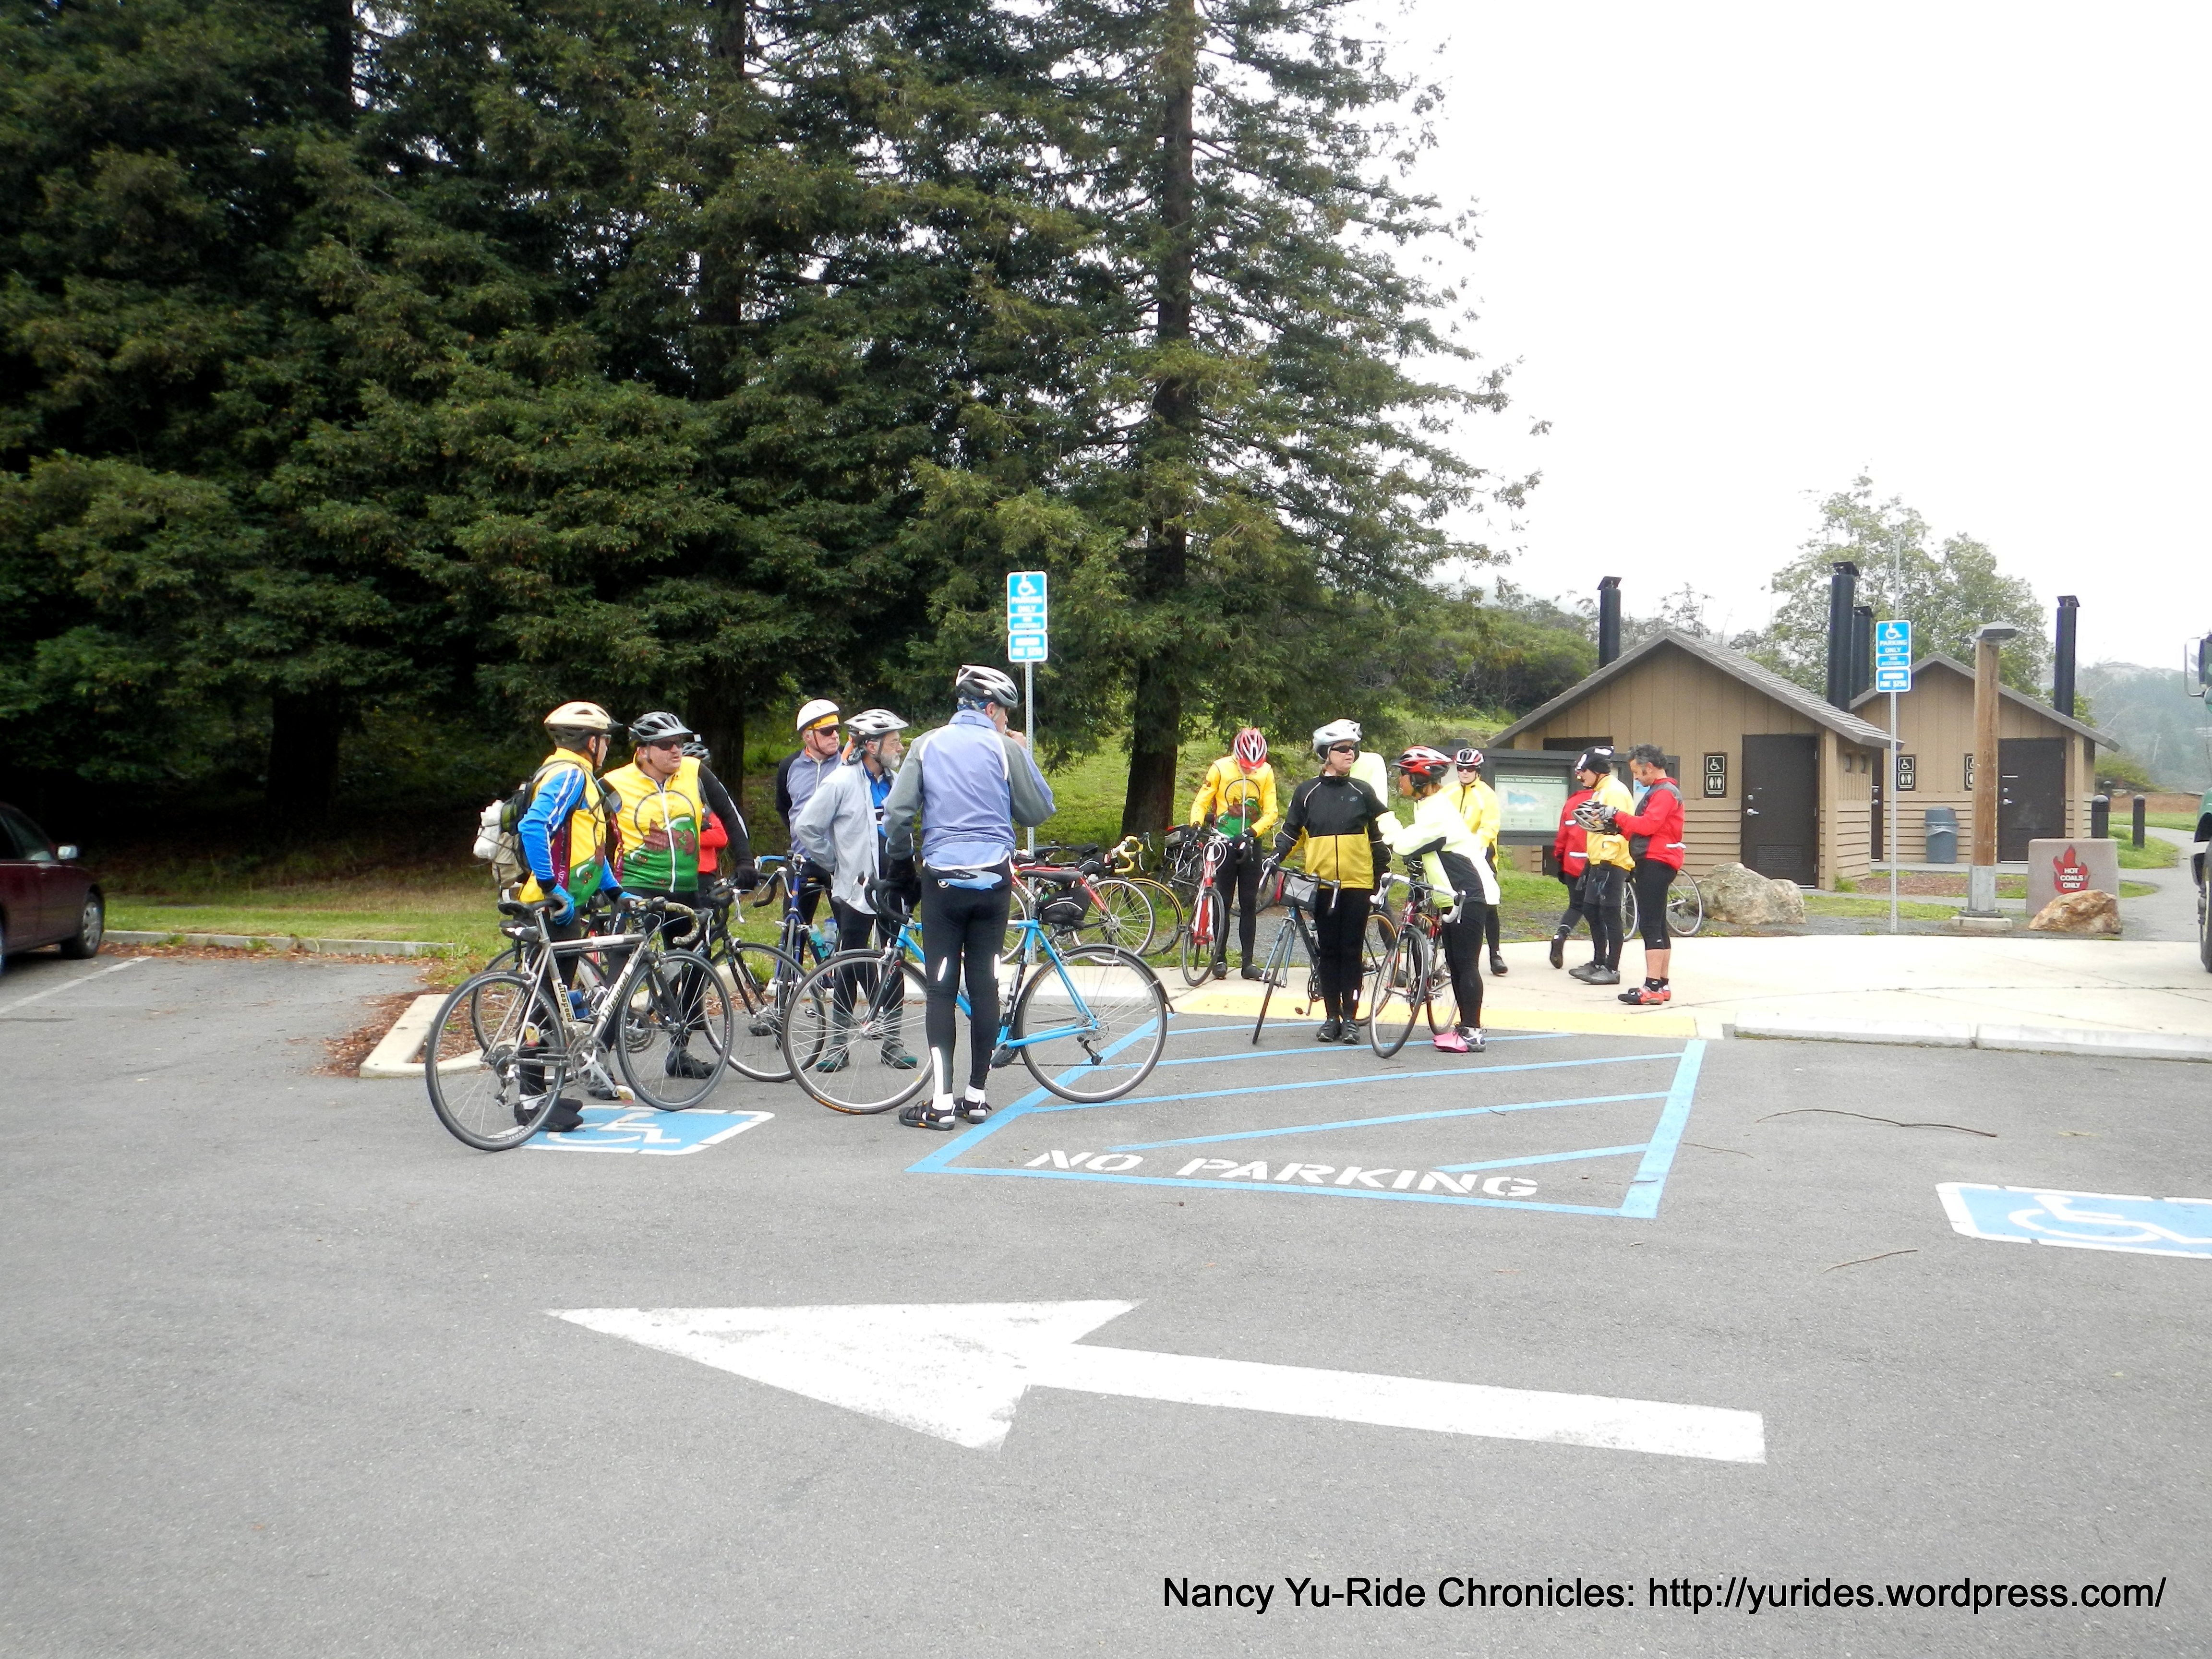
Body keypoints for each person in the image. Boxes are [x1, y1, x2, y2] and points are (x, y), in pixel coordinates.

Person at [881, 666, 1055, 1129]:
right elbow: (1039, 809)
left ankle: (940, 1105)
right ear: (992, 708)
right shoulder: (1004, 747)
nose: (1006, 722)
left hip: (943, 883)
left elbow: (897, 816)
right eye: (1005, 715)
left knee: (941, 988)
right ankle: (976, 1097)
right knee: (984, 986)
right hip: (994, 882)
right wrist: (1019, 755)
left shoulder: (927, 745)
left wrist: (902, 863)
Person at [602, 711, 758, 1079]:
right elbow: (588, 833)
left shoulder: (692, 770)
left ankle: (679, 1050)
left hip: (685, 889)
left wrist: (745, 860)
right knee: (620, 973)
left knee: (695, 964)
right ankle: (597, 1056)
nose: (677, 750)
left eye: (680, 742)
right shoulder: (613, 783)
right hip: (635, 888)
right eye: (667, 744)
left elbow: (730, 815)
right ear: (643, 751)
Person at [514, 700, 625, 1132]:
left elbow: (588, 845)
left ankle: (540, 1097)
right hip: (553, 907)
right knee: (542, 1008)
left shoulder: (569, 773)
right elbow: (534, 827)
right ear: (591, 742)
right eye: (606, 740)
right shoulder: (571, 774)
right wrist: (550, 887)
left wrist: (614, 889)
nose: (607, 747)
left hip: (563, 904)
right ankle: (530, 1102)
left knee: (548, 1006)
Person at [793, 709, 916, 1071]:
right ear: (871, 746)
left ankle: (892, 1042)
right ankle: (838, 1044)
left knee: (894, 961)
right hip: (856, 889)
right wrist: (835, 864)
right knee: (850, 964)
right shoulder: (841, 782)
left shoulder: (897, 781)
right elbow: (807, 827)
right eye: (894, 741)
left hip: (894, 884)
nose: (900, 746)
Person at [1273, 719, 1390, 1044]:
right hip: (1322, 885)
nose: (1349, 754)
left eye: (1353, 749)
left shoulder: (1362, 791)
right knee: (1328, 952)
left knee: (1351, 952)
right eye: (1342, 749)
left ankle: (1351, 1019)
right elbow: (1290, 832)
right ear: (1326, 754)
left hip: (1356, 884)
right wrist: (1274, 857)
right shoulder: (1307, 792)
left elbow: (1379, 840)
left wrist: (1383, 877)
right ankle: (1330, 1017)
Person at [1381, 745, 1498, 1053]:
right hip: (1452, 896)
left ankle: (1472, 1032)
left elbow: (1405, 845)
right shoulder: (1429, 805)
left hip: (1467, 894)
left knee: (1466, 964)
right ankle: (1465, 1027)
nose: (1399, 782)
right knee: (1458, 965)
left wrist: (1386, 820)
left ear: (1419, 778)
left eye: (1403, 775)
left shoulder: (1437, 811)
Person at [1186, 726, 1280, 980]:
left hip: (1250, 843)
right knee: (1223, 901)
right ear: (1236, 755)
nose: (1251, 770)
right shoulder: (1220, 768)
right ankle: (1219, 958)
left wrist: (1252, 832)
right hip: (1223, 842)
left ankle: (1248, 962)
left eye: (1255, 766)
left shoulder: (1266, 772)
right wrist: (1197, 824)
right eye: (1246, 765)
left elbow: (1271, 811)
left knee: (1249, 902)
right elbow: (1202, 800)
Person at [1597, 743, 1686, 1006]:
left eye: (1637, 772)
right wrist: (1617, 828)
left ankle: (1652, 987)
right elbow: (1648, 830)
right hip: (1657, 859)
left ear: (1649, 767)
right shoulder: (1662, 791)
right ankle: (1663, 984)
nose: (1635, 778)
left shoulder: (1665, 792)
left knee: (1649, 924)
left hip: (1656, 862)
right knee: (1658, 923)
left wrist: (1617, 815)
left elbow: (1649, 826)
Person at [1567, 747, 1635, 986]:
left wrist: (1606, 859)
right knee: (1590, 909)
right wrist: (1591, 860)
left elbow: (1617, 828)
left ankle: (1612, 968)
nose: (1580, 776)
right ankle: (1598, 961)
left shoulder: (1614, 792)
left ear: (1596, 770)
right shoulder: (1600, 791)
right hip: (1598, 860)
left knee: (1609, 913)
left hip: (1613, 861)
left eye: (1583, 771)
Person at [776, 698, 842, 928]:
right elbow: (785, 807)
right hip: (803, 860)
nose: (835, 735)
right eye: (826, 731)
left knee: (851, 934)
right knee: (793, 929)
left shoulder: (848, 763)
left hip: (841, 860)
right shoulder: (789, 766)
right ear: (807, 736)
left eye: (837, 729)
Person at [1447, 744, 1509, 977]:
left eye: (1469, 769)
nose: (1464, 772)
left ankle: (1495, 954)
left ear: (1478, 770)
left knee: (1488, 904)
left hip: (1481, 855)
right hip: (1452, 854)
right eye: (1461, 768)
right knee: (1449, 901)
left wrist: (1476, 844)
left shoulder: (1487, 794)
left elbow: (1490, 826)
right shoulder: (1449, 792)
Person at [1548, 775, 1595, 969]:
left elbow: (1562, 837)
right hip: (1595, 863)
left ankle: (1560, 935)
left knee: (1576, 906)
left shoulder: (1572, 802)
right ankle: (1601, 957)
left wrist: (1560, 860)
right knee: (1597, 911)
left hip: (1572, 862)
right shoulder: (1606, 800)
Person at [681, 740, 727, 880]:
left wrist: (685, 838)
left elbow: (721, 838)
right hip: (679, 871)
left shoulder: (707, 803)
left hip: (705, 871)